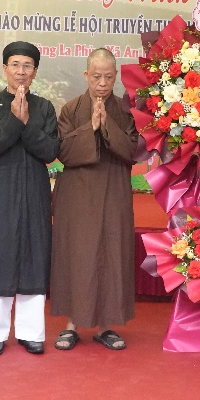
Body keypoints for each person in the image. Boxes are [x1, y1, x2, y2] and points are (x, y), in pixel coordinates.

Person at [50, 48, 142, 351]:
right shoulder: (70, 109)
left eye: (108, 76)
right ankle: (72, 324)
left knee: (111, 252)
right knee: (78, 255)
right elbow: (63, 153)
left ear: (115, 76)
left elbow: (131, 151)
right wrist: (90, 127)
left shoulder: (125, 111)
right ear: (86, 75)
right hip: (78, 193)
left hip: (113, 190)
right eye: (96, 76)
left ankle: (106, 326)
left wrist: (107, 126)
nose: (102, 82)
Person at [0, 41, 60, 355]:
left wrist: (25, 124)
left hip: (34, 192)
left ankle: (30, 332)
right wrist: (13, 120)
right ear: (5, 68)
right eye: (15, 65)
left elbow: (50, 151)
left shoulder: (45, 107)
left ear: (35, 71)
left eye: (27, 66)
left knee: (33, 254)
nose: (21, 71)